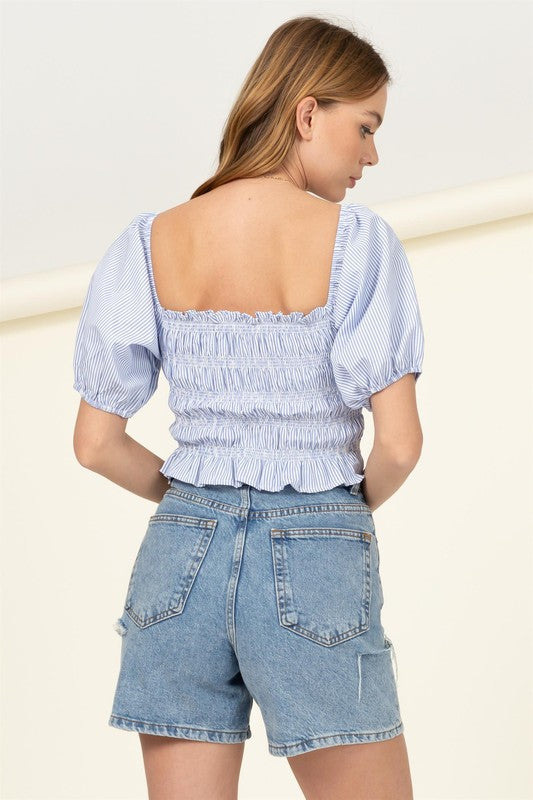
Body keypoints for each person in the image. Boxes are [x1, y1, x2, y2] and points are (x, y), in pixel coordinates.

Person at [72, 14, 424, 800]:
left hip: (178, 552)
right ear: (306, 113)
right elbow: (398, 445)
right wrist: (331, 514)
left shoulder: (148, 240)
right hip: (315, 538)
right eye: (364, 127)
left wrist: (197, 501)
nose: (372, 154)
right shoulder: (356, 242)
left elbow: (95, 444)